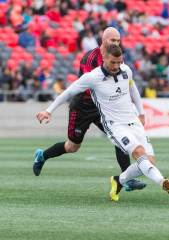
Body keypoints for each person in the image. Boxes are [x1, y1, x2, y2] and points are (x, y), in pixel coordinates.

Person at [36, 45, 169, 201]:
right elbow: (69, 91)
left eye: (119, 62)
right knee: (137, 152)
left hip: (133, 121)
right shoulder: (92, 77)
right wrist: (48, 110)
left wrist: (141, 113)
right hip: (114, 125)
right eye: (113, 63)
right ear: (104, 59)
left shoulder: (126, 70)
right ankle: (162, 181)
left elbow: (133, 89)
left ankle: (119, 181)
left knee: (149, 161)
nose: (116, 66)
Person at [33, 27, 146, 191]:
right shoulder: (91, 59)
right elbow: (80, 88)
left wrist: (138, 110)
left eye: (118, 40)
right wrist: (49, 110)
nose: (115, 43)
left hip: (102, 108)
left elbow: (128, 84)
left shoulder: (116, 58)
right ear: (103, 39)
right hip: (82, 107)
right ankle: (42, 156)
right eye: (112, 40)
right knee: (72, 147)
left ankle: (126, 178)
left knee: (119, 137)